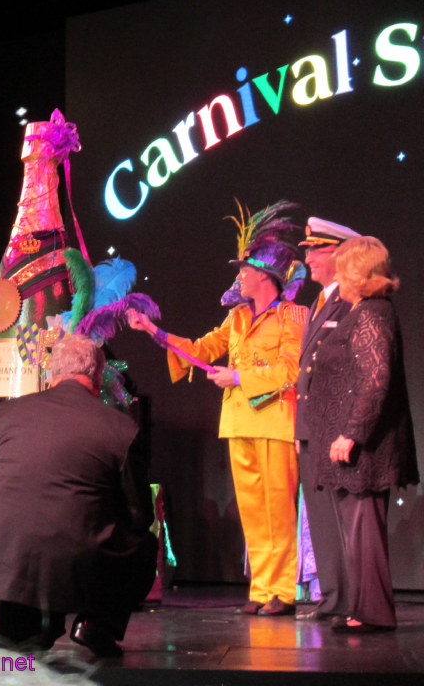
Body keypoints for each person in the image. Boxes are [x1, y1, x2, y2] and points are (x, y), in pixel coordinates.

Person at [127, 201, 306, 616]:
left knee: (278, 508)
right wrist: (155, 331)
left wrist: (240, 378)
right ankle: (262, 591)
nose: (238, 275)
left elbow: (291, 369)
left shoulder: (294, 316)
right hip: (240, 421)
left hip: (276, 422)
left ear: (264, 275)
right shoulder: (237, 319)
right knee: (253, 511)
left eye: (244, 269)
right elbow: (203, 349)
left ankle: (284, 591)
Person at [0, 335, 157, 657]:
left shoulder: (7, 413)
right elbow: (140, 516)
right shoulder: (122, 429)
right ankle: (96, 625)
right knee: (144, 545)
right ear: (99, 376)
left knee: (33, 639)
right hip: (70, 557)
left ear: (50, 374)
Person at [306, 236, 418, 632]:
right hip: (344, 445)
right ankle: (361, 609)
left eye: (342, 264)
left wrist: (352, 433)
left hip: (362, 449)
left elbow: (376, 379)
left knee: (364, 530)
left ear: (358, 271)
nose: (336, 271)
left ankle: (373, 613)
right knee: (355, 531)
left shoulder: (373, 312)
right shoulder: (362, 310)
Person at [292, 217, 361, 622]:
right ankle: (334, 597)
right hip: (310, 426)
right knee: (319, 517)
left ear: (336, 253)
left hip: (333, 426)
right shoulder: (320, 302)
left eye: (314, 251)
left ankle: (351, 598)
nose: (307, 259)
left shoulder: (350, 301)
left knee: (340, 516)